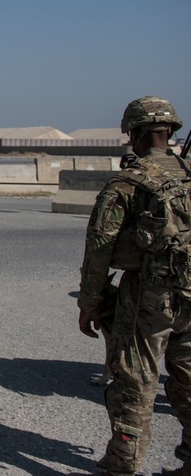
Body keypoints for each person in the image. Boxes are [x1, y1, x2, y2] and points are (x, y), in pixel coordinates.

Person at [77, 96, 190, 476]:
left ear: (137, 133)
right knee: (188, 378)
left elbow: (99, 249)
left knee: (135, 379)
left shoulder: (128, 183)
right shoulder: (188, 174)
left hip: (150, 296)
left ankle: (122, 465)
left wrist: (89, 302)